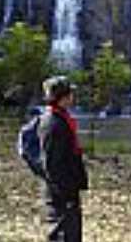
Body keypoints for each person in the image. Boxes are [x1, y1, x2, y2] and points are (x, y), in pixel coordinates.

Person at [39, 76, 88, 242]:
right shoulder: (53, 123)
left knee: (71, 233)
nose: (72, 97)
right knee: (63, 235)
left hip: (65, 189)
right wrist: (65, 193)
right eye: (69, 94)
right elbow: (52, 164)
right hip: (60, 192)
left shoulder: (59, 118)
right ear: (61, 98)